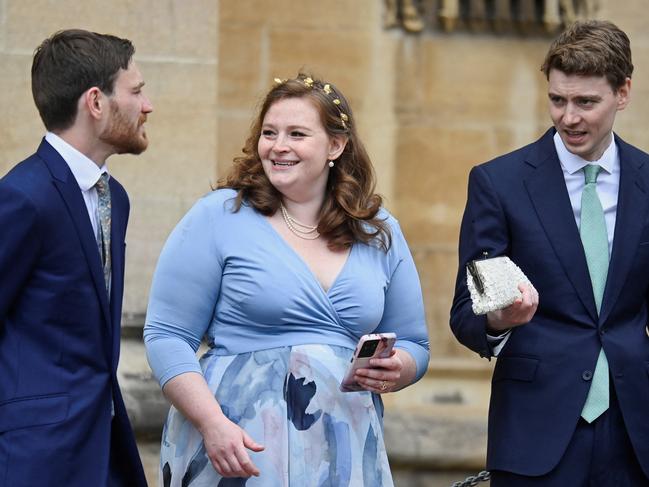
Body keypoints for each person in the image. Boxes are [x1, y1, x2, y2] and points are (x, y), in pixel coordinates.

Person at [144, 73, 429, 486]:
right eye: (269, 133)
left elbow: (415, 345)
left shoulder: (378, 230)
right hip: (237, 445)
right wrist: (212, 424)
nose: (278, 146)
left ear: (336, 145)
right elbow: (166, 335)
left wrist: (394, 368)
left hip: (343, 447)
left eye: (297, 134)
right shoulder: (219, 215)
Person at [450, 20, 649, 486]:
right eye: (557, 100)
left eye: (586, 102)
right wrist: (501, 319)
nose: (569, 117)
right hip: (535, 436)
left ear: (623, 93)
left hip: (635, 435)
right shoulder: (499, 183)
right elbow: (465, 315)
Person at [0, 29, 153, 486]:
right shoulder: (23, 197)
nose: (147, 106)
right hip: (34, 458)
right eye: (137, 91)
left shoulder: (116, 198)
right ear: (96, 102)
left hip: (103, 450)